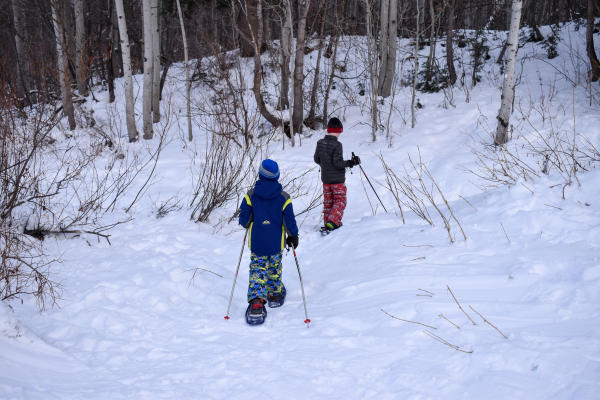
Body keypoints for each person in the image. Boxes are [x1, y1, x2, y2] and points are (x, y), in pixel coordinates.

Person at [238, 159, 299, 325]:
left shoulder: (251, 195)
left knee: (258, 270)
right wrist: (293, 235)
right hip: (276, 244)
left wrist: (248, 218)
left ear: (260, 174)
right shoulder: (283, 198)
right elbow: (289, 221)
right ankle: (274, 293)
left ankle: (257, 301)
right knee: (274, 267)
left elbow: (244, 220)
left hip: (257, 244)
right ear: (277, 176)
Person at [313, 117, 360, 231]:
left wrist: (325, 165)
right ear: (339, 131)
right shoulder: (337, 145)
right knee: (340, 201)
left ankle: (327, 223)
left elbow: (316, 159)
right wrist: (351, 162)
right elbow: (337, 163)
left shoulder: (320, 143)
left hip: (326, 179)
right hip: (337, 180)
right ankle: (333, 222)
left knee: (328, 202)